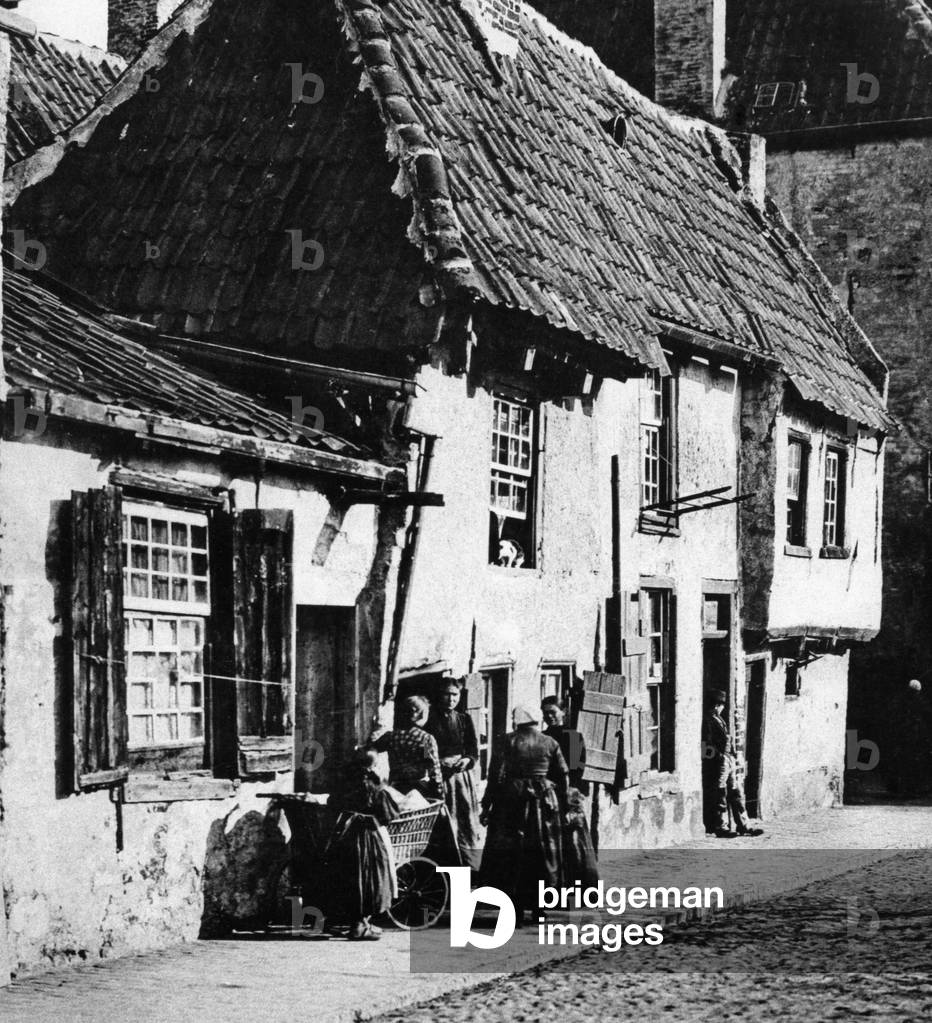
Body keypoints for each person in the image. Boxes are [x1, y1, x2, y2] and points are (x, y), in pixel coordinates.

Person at [479, 706, 569, 926]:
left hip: (511, 803)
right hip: (544, 805)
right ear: (536, 721)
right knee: (541, 856)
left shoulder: (506, 741)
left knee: (511, 857)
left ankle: (514, 910)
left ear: (516, 721)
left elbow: (494, 776)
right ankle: (539, 910)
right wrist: (565, 806)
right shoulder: (550, 742)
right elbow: (564, 775)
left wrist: (487, 806)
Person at [325, 749, 400, 940]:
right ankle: (359, 926)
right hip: (368, 837)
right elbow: (387, 816)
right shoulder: (376, 787)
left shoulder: (344, 784)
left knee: (348, 877)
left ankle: (357, 922)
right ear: (373, 766)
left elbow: (332, 804)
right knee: (370, 878)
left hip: (345, 837)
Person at [424, 678, 483, 870]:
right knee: (445, 822)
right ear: (439, 695)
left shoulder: (464, 719)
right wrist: (438, 762)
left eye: (455, 695)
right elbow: (424, 749)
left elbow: (473, 751)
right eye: (447, 694)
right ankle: (446, 866)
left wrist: (467, 761)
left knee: (465, 822)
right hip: (439, 777)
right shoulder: (429, 719)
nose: (451, 699)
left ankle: (469, 866)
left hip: (461, 780)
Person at [702, 688, 763, 838]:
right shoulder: (708, 720)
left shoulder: (720, 719)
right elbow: (706, 744)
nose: (721, 708)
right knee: (720, 793)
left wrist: (732, 756)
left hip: (729, 760)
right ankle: (721, 826)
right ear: (716, 705)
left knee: (736, 792)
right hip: (720, 762)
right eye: (720, 705)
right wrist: (718, 757)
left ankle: (744, 825)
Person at [371, 694, 443, 799]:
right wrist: (439, 793)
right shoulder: (425, 739)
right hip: (419, 790)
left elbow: (372, 748)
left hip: (396, 788)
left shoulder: (391, 736)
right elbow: (432, 767)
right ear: (422, 715)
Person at [541, 695, 588, 792]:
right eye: (546, 713)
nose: (549, 716)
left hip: (566, 788)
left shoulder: (573, 736)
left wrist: (571, 787)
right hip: (545, 787)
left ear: (563, 712)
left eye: (553, 712)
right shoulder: (541, 737)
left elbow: (578, 766)